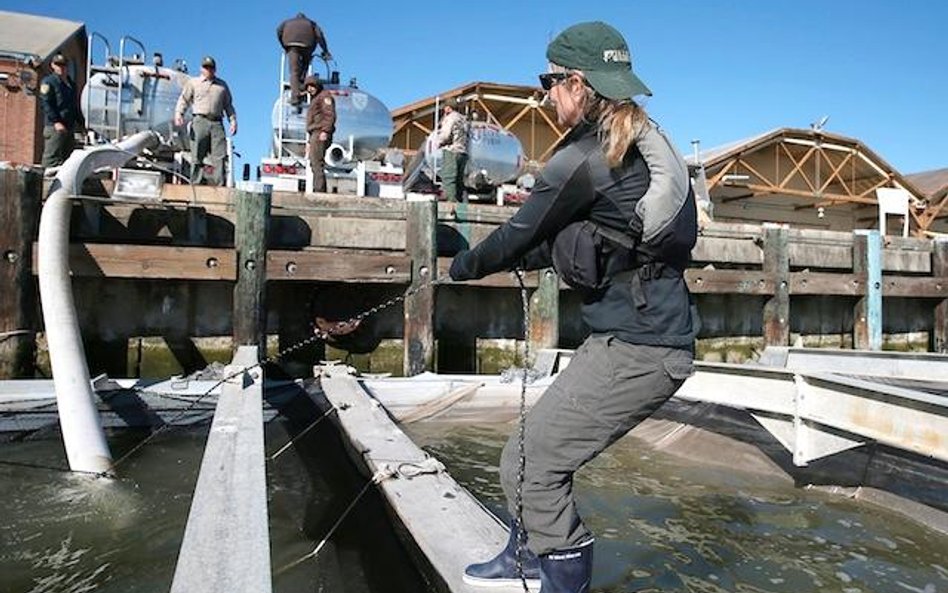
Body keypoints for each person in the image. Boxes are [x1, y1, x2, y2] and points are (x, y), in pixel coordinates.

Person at [451, 22, 697, 593]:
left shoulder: (584, 159)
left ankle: (558, 569)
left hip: (642, 347)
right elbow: (579, 240)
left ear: (577, 83)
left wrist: (461, 267)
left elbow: (518, 234)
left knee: (532, 465)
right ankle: (528, 557)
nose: (545, 93)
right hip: (631, 338)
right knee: (524, 456)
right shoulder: (627, 151)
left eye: (549, 81)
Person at [174, 56, 237, 186]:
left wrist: (233, 120)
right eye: (205, 67)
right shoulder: (193, 83)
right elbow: (184, 99)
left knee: (219, 156)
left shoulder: (222, 86)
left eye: (211, 67)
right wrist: (179, 114)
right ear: (201, 68)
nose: (208, 70)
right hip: (199, 121)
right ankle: (195, 185)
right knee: (197, 155)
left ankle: (219, 186)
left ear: (215, 69)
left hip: (217, 123)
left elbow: (228, 105)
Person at [277, 12, 331, 107]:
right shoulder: (311, 23)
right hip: (307, 46)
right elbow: (319, 36)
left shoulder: (287, 22)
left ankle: (295, 97)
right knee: (305, 64)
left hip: (291, 46)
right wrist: (325, 51)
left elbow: (278, 31)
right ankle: (301, 83)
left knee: (294, 72)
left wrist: (284, 46)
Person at [39, 53, 81, 167]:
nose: (61, 67)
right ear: (52, 65)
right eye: (58, 65)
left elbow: (74, 106)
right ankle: (46, 183)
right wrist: (56, 122)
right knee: (51, 160)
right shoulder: (48, 82)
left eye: (63, 65)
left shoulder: (71, 85)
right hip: (55, 128)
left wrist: (82, 124)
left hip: (69, 128)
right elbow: (46, 104)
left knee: (68, 162)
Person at [305, 76, 335, 193]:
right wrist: (309, 141)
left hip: (319, 132)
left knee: (317, 162)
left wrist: (325, 131)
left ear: (317, 86)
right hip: (314, 133)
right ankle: (318, 188)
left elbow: (329, 114)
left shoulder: (324, 96)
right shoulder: (316, 98)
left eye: (312, 86)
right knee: (314, 162)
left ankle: (319, 190)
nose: (310, 89)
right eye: (308, 87)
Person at [436, 101, 469, 202]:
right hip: (462, 152)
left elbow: (446, 135)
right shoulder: (464, 120)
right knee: (459, 181)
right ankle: (463, 206)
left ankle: (452, 205)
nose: (444, 110)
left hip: (451, 150)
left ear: (449, 108)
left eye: (445, 107)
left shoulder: (450, 118)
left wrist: (438, 142)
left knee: (448, 178)